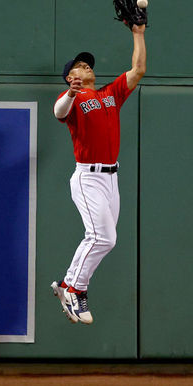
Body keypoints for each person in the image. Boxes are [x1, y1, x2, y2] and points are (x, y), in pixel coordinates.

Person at [51, 23, 146, 324]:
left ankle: (71, 287)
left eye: (87, 65)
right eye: (78, 66)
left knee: (102, 238)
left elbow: (138, 69)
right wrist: (69, 92)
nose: (85, 67)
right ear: (70, 78)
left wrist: (138, 33)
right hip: (87, 177)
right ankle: (73, 288)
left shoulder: (110, 94)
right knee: (103, 237)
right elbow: (58, 113)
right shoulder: (74, 99)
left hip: (110, 179)